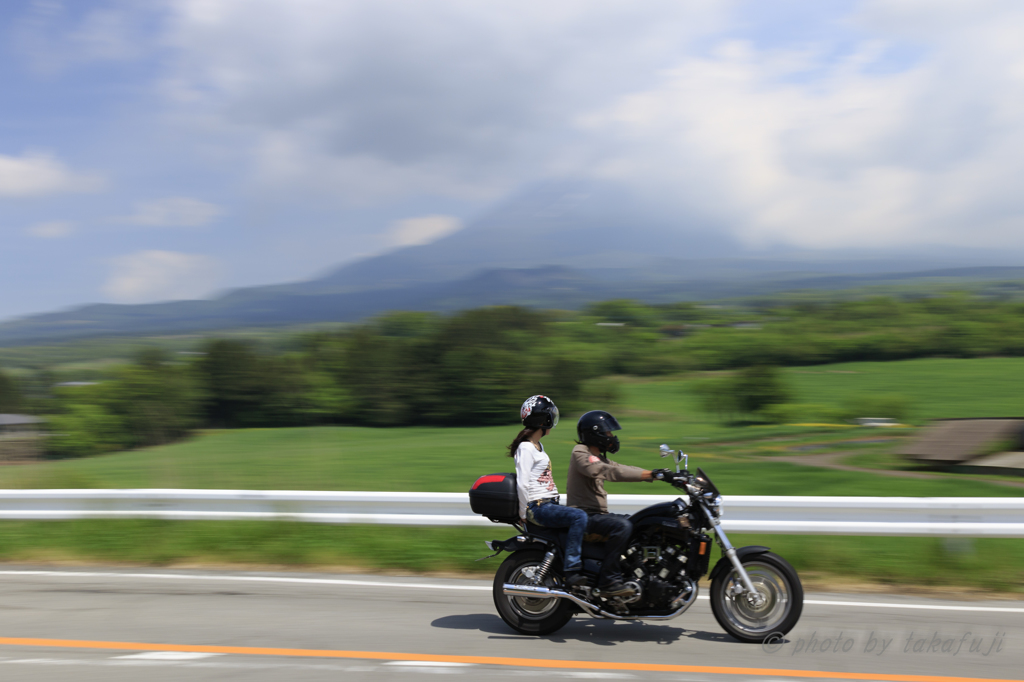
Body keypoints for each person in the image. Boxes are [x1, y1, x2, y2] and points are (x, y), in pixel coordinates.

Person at [566, 410, 669, 597]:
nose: (612, 437)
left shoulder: (599, 457)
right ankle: (609, 581)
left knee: (639, 525)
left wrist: (657, 474)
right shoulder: (580, 452)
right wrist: (652, 474)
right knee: (622, 527)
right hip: (583, 517)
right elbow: (609, 472)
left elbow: (620, 468)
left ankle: (635, 573)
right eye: (608, 433)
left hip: (597, 516)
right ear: (594, 434)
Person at [510, 395, 588, 587]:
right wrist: (523, 513)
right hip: (537, 507)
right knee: (579, 517)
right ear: (542, 420)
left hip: (547, 504)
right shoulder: (526, 448)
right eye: (550, 415)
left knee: (584, 517)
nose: (553, 420)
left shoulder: (538, 446)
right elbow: (522, 483)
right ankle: (572, 571)